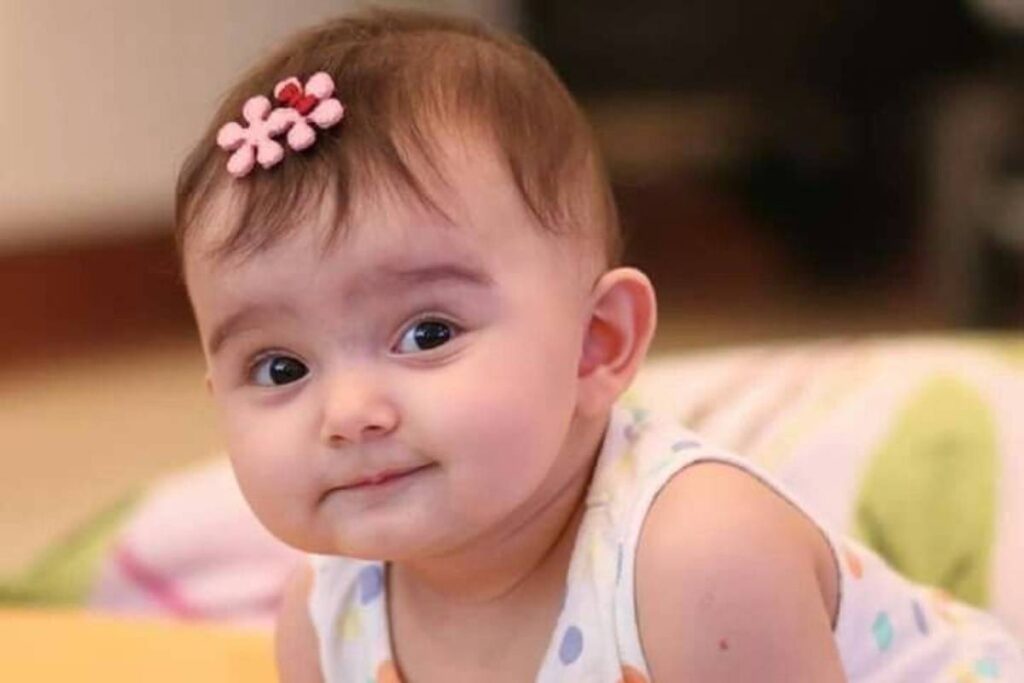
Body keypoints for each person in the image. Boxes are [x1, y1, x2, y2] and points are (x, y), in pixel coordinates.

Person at [175, 8, 1023, 682]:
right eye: (280, 367)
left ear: (597, 343)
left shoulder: (697, 558)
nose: (349, 412)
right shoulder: (324, 621)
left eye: (427, 333)